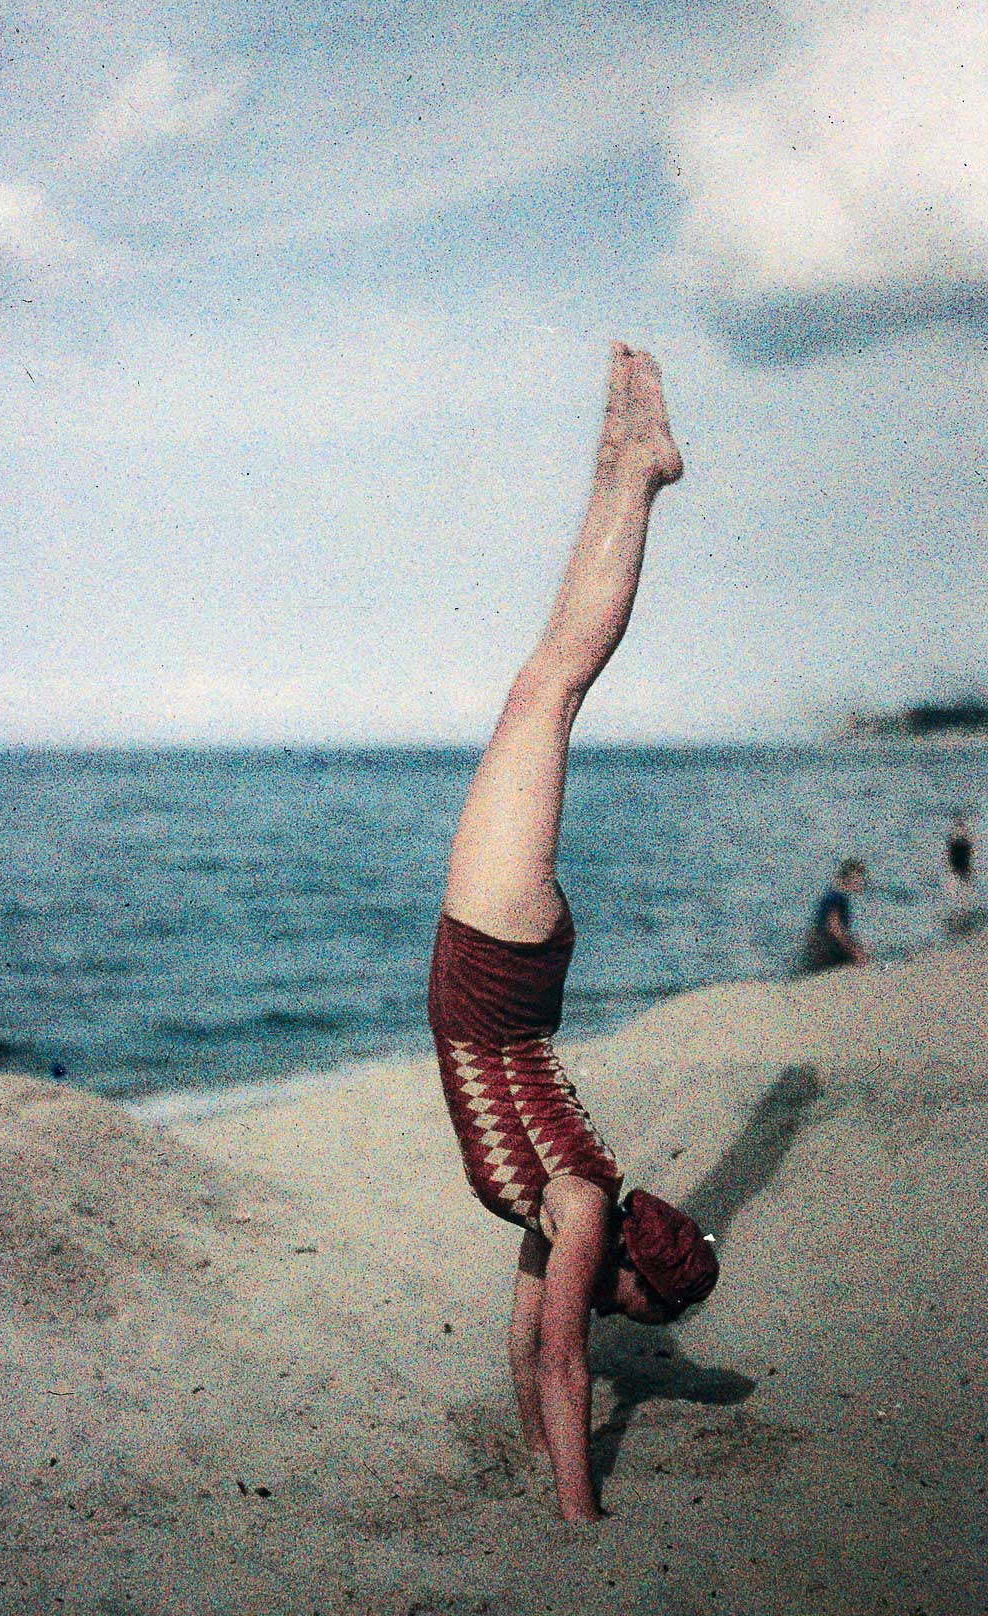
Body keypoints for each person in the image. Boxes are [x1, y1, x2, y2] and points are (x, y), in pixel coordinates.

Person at [427, 343, 718, 1523]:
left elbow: (526, 1353)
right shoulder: (585, 1207)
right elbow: (565, 1363)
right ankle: (635, 474)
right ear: (637, 1276)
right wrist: (580, 1511)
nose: (633, 1325)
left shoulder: (566, 1216)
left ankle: (621, 465)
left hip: (496, 977)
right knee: (549, 687)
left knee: (542, 685)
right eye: (652, 1311)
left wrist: (547, 1477)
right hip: (497, 975)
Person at [801, 859, 868, 973]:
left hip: (820, 948)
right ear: (845, 879)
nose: (861, 883)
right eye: (857, 880)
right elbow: (835, 928)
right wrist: (855, 950)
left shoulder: (834, 896)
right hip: (827, 951)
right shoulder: (836, 898)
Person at [943, 810, 979, 936]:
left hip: (959, 868)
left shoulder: (956, 837)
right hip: (960, 868)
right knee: (961, 892)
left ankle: (960, 918)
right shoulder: (962, 837)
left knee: (959, 892)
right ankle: (962, 918)